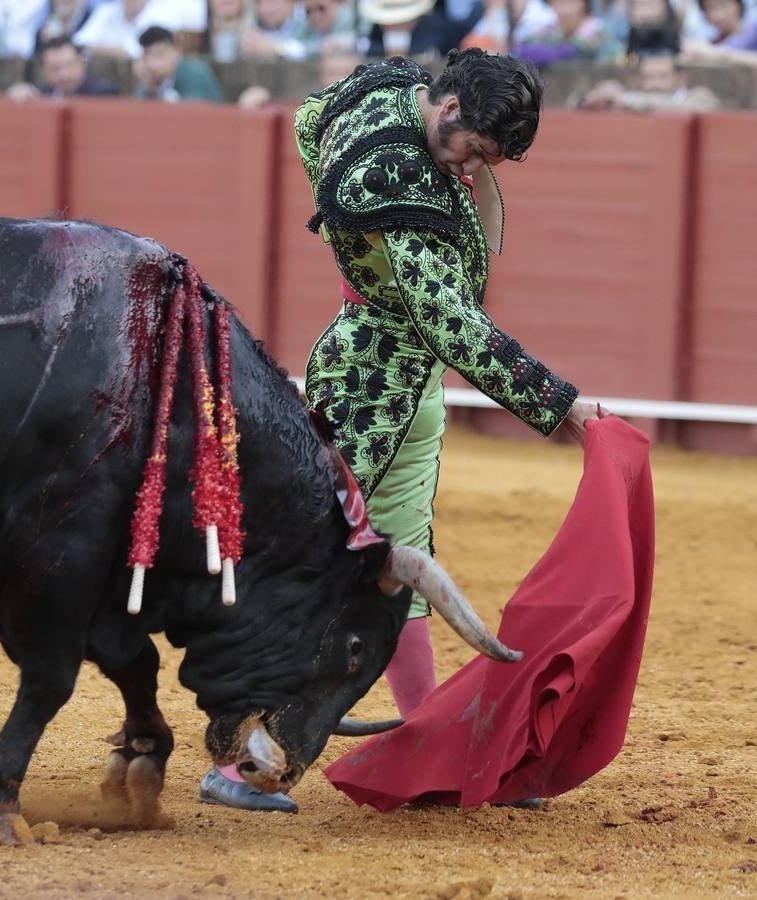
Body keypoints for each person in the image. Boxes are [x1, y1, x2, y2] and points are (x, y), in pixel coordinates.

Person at [199, 49, 602, 814]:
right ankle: (232, 755)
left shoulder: (389, 90)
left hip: (404, 376)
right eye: (472, 150)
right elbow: (452, 321)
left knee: (405, 563)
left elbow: (308, 120)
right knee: (311, 561)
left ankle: (424, 740)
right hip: (369, 376)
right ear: (447, 109)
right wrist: (561, 404)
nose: (470, 170)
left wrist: (358, 249)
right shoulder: (393, 176)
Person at [579, 48, 719, 109]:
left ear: (681, 79)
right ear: (638, 80)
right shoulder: (623, 98)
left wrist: (626, 99)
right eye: (648, 77)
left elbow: (696, 108)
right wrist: (595, 98)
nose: (655, 84)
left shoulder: (700, 96)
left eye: (663, 77)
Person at [5, 32, 119, 99]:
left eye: (69, 65)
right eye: (55, 68)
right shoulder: (41, 93)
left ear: (82, 63)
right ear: (45, 70)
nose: (64, 74)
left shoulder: (103, 93)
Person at [133, 24, 223, 101]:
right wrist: (149, 87)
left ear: (177, 52)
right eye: (148, 55)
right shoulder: (151, 79)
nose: (153, 63)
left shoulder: (194, 73)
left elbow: (192, 113)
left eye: (160, 54)